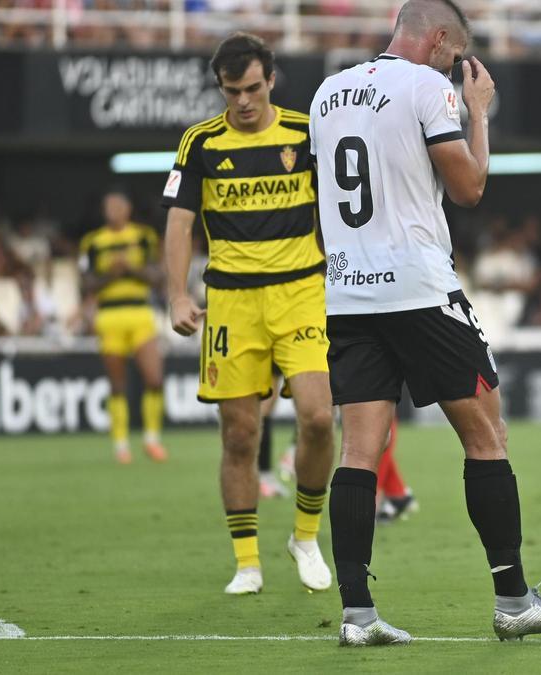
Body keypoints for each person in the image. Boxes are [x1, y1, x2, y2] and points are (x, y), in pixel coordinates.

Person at [310, 0, 541, 645]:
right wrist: (478, 111)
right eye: (456, 55)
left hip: (349, 294)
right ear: (437, 40)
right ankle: (515, 601)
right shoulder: (432, 88)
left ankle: (358, 615)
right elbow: (468, 188)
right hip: (420, 291)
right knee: (488, 438)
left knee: (357, 453)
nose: (459, 68)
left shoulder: (328, 93)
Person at [162, 33, 335, 596]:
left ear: (271, 81)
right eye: (233, 90)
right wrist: (177, 296)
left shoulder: (307, 133)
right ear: (221, 87)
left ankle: (305, 537)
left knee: (316, 416)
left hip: (301, 292)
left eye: (253, 88)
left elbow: (340, 208)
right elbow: (180, 224)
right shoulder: (200, 144)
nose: (243, 100)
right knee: (239, 434)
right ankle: (247, 562)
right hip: (232, 304)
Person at [77, 190, 168, 464]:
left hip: (140, 312)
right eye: (110, 206)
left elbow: (158, 277)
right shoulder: (92, 243)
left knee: (154, 378)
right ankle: (121, 445)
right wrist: (111, 273)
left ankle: (152, 439)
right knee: (118, 384)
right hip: (110, 315)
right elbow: (85, 284)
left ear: (128, 208)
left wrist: (131, 269)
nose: (115, 211)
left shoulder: (143, 237)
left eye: (119, 205)